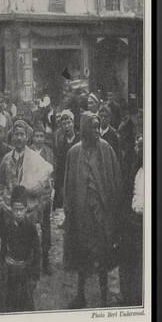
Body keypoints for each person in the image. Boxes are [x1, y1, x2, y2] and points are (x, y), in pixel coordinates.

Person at [63, 112, 121, 308]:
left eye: (98, 127)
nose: (96, 131)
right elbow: (68, 185)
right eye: (93, 127)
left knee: (103, 256)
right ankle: (81, 296)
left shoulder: (106, 150)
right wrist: (68, 210)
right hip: (81, 215)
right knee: (81, 255)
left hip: (101, 215)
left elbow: (115, 182)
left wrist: (112, 211)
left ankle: (104, 298)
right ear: (84, 129)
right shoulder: (73, 153)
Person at [0, 120, 53, 223]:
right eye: (16, 134)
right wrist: (4, 206)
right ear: (12, 136)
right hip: (10, 213)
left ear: (27, 137)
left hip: (29, 213)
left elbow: (47, 188)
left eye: (22, 134)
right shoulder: (6, 159)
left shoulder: (35, 159)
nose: (19, 138)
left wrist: (37, 209)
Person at [0, 185, 41, 312]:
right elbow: (3, 249)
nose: (18, 213)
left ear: (26, 209)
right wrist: (3, 267)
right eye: (15, 209)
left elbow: (37, 252)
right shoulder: (7, 226)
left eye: (21, 209)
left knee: (24, 306)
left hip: (24, 271)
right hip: (10, 271)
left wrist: (34, 276)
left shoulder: (30, 228)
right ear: (11, 209)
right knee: (7, 305)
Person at [119, 136, 144, 306]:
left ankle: (139, 298)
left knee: (142, 263)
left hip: (144, 223)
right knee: (127, 259)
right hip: (131, 220)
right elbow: (127, 192)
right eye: (140, 148)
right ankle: (127, 296)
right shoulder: (135, 168)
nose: (141, 151)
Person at [30, 122, 54, 274]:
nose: (39, 139)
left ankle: (45, 259)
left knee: (45, 227)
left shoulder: (48, 152)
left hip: (44, 194)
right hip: (31, 194)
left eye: (41, 136)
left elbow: (51, 173)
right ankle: (32, 259)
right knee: (32, 225)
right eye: (36, 136)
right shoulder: (29, 152)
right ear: (32, 138)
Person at [53, 110, 79, 209]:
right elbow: (59, 166)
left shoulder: (79, 140)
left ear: (73, 123)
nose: (67, 126)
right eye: (64, 124)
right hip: (64, 180)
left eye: (69, 123)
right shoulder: (61, 142)